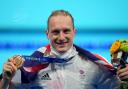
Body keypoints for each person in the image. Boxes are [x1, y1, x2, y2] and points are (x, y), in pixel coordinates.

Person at [0, 9, 128, 89]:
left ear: (74, 32)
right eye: (55, 32)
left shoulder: (93, 65)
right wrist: (6, 79)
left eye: (66, 31)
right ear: (47, 34)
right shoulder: (31, 66)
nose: (61, 37)